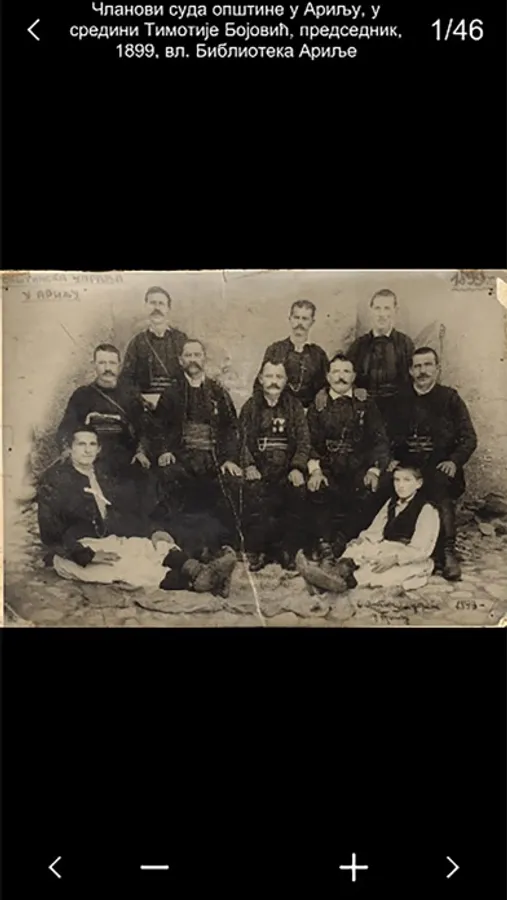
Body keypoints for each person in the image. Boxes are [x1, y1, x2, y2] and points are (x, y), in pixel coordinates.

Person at [37, 427, 236, 596]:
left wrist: (153, 531)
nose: (87, 450)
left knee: (152, 546)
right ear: (70, 448)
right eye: (81, 444)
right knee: (129, 567)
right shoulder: (55, 481)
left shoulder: (104, 476)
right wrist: (87, 555)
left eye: (92, 444)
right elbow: (51, 534)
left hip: (108, 539)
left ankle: (199, 571)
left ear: (99, 449)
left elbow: (125, 513)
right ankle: (200, 582)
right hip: (73, 551)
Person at [391, 346, 478, 580]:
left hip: (440, 466)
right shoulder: (399, 400)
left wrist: (454, 461)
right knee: (386, 485)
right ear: (411, 371)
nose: (423, 371)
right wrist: (391, 460)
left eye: (428, 365)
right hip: (408, 467)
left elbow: (469, 437)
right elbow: (385, 434)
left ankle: (447, 552)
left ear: (437, 369)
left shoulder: (450, 398)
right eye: (417, 366)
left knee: (440, 489)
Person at [152, 339, 243, 553]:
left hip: (213, 458)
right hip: (181, 457)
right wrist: (164, 450)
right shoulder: (171, 393)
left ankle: (224, 547)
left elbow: (231, 429)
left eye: (197, 355)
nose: (193, 360)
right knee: (169, 476)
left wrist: (229, 459)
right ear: (180, 360)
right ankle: (179, 547)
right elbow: (157, 427)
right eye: (188, 355)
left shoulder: (218, 392)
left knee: (231, 482)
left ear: (204, 359)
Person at [295, 464, 440, 594]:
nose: (400, 485)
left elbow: (421, 548)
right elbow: (376, 529)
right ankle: (335, 572)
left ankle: (338, 584)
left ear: (418, 483)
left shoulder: (426, 509)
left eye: (407, 480)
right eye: (397, 480)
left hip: (409, 557)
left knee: (376, 571)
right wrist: (362, 540)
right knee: (357, 549)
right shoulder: (392, 502)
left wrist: (394, 559)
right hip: (387, 547)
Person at [306, 353, 390, 559]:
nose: (340, 376)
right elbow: (309, 441)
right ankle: (324, 543)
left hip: (358, 465)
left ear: (353, 376)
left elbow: (379, 439)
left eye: (346, 371)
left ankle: (343, 540)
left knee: (370, 490)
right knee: (317, 488)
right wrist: (315, 470)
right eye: (335, 372)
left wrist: (374, 470)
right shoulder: (318, 405)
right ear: (328, 377)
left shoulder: (365, 403)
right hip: (328, 465)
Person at [239, 359, 310, 571]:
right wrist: (249, 465)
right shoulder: (251, 406)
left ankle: (287, 551)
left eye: (279, 377)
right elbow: (241, 440)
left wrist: (297, 467)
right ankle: (258, 550)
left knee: (296, 491)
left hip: (286, 468)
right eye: (269, 376)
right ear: (261, 379)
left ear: (286, 380)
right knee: (254, 492)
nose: (274, 381)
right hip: (260, 467)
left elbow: (304, 441)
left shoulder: (294, 406)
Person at [57, 344, 150, 475]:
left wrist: (141, 452)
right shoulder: (82, 395)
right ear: (94, 365)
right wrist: (67, 451)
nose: (107, 368)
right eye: (102, 363)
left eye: (112, 363)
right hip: (91, 459)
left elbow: (143, 428)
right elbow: (66, 428)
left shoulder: (131, 395)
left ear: (119, 365)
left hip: (125, 459)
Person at [346, 288, 414, 439]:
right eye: (377, 308)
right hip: (365, 412)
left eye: (387, 308)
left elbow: (413, 380)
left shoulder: (405, 344)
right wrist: (355, 389)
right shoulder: (359, 345)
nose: (381, 314)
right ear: (371, 311)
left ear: (395, 311)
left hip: (398, 413)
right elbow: (346, 376)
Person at [118, 286, 188, 403]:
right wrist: (141, 400)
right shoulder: (137, 342)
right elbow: (126, 380)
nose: (157, 308)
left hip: (177, 403)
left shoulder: (181, 339)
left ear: (168, 309)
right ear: (145, 307)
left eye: (161, 304)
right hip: (146, 404)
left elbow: (190, 373)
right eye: (152, 303)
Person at [257, 300, 328, 409]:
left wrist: (323, 392)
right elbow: (260, 384)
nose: (300, 323)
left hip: (308, 411)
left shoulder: (318, 354)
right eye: (296, 317)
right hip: (279, 409)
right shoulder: (275, 349)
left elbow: (326, 385)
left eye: (305, 319)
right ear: (290, 319)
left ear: (312, 322)